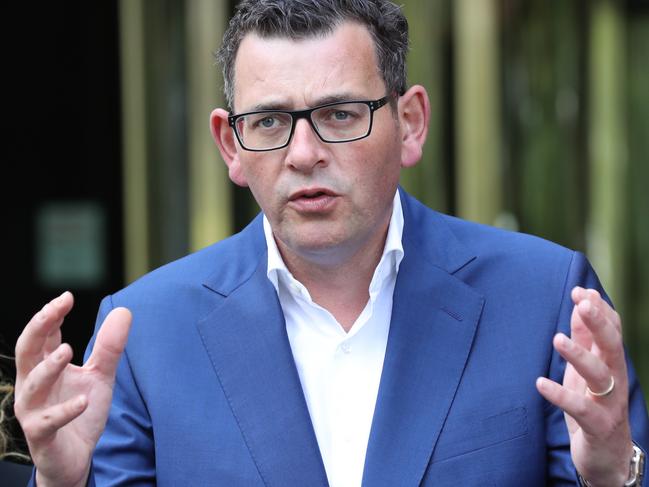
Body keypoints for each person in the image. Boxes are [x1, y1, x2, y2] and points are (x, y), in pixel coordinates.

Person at [13, 1, 648, 485]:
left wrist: (612, 472)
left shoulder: (542, 297)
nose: (305, 154)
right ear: (230, 146)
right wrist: (61, 482)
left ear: (411, 124)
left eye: (340, 114)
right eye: (269, 121)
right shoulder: (147, 329)